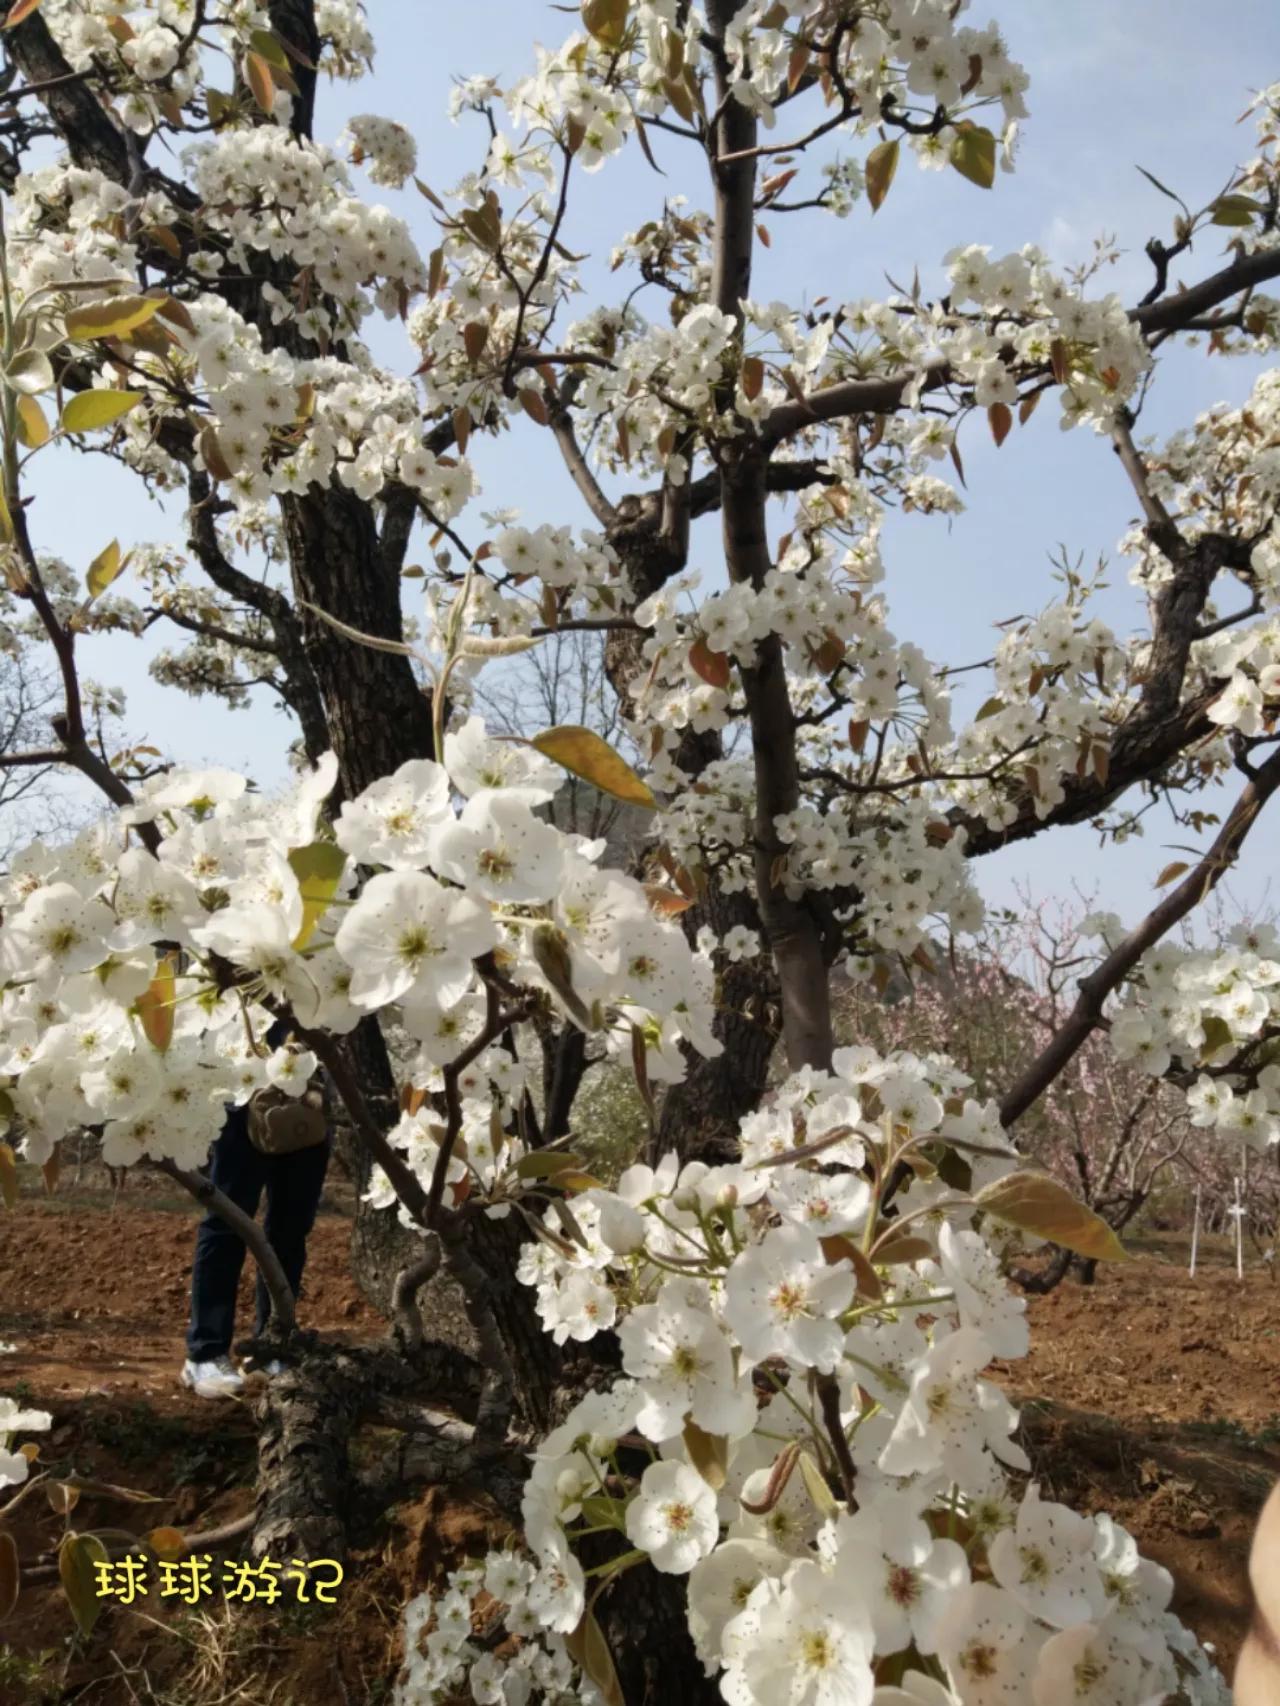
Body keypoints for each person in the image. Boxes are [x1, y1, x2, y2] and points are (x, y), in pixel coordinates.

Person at [180, 1022, 331, 1398]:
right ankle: (206, 1353)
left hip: (308, 1097)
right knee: (228, 1222)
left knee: (290, 1230)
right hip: (241, 1089)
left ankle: (272, 1350)